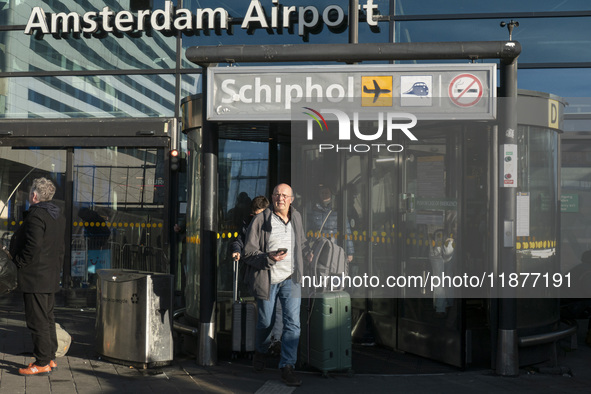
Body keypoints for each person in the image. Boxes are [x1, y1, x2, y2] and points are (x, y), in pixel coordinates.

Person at [242, 183, 311, 387]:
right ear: (272, 197)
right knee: (266, 322)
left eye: (284, 195)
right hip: (267, 279)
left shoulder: (296, 218)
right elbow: (248, 253)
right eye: (277, 195)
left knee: (293, 324)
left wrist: (308, 253)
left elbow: (302, 242)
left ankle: (287, 366)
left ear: (292, 199)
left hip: (291, 278)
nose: (280, 198)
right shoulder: (260, 220)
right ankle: (260, 351)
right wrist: (268, 257)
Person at [9, 177, 66, 376]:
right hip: (49, 274)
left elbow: (33, 246)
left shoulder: (36, 215)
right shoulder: (57, 215)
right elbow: (59, 247)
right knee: (48, 318)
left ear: (34, 195)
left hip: (36, 276)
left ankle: (41, 362)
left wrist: (19, 263)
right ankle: (49, 358)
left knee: (37, 320)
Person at [309, 184, 354, 262]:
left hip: (334, 248)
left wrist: (350, 252)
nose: (324, 195)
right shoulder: (314, 211)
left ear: (331, 195)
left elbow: (347, 232)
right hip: (318, 249)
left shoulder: (338, 211)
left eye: (326, 193)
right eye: (322, 193)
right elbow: (308, 231)